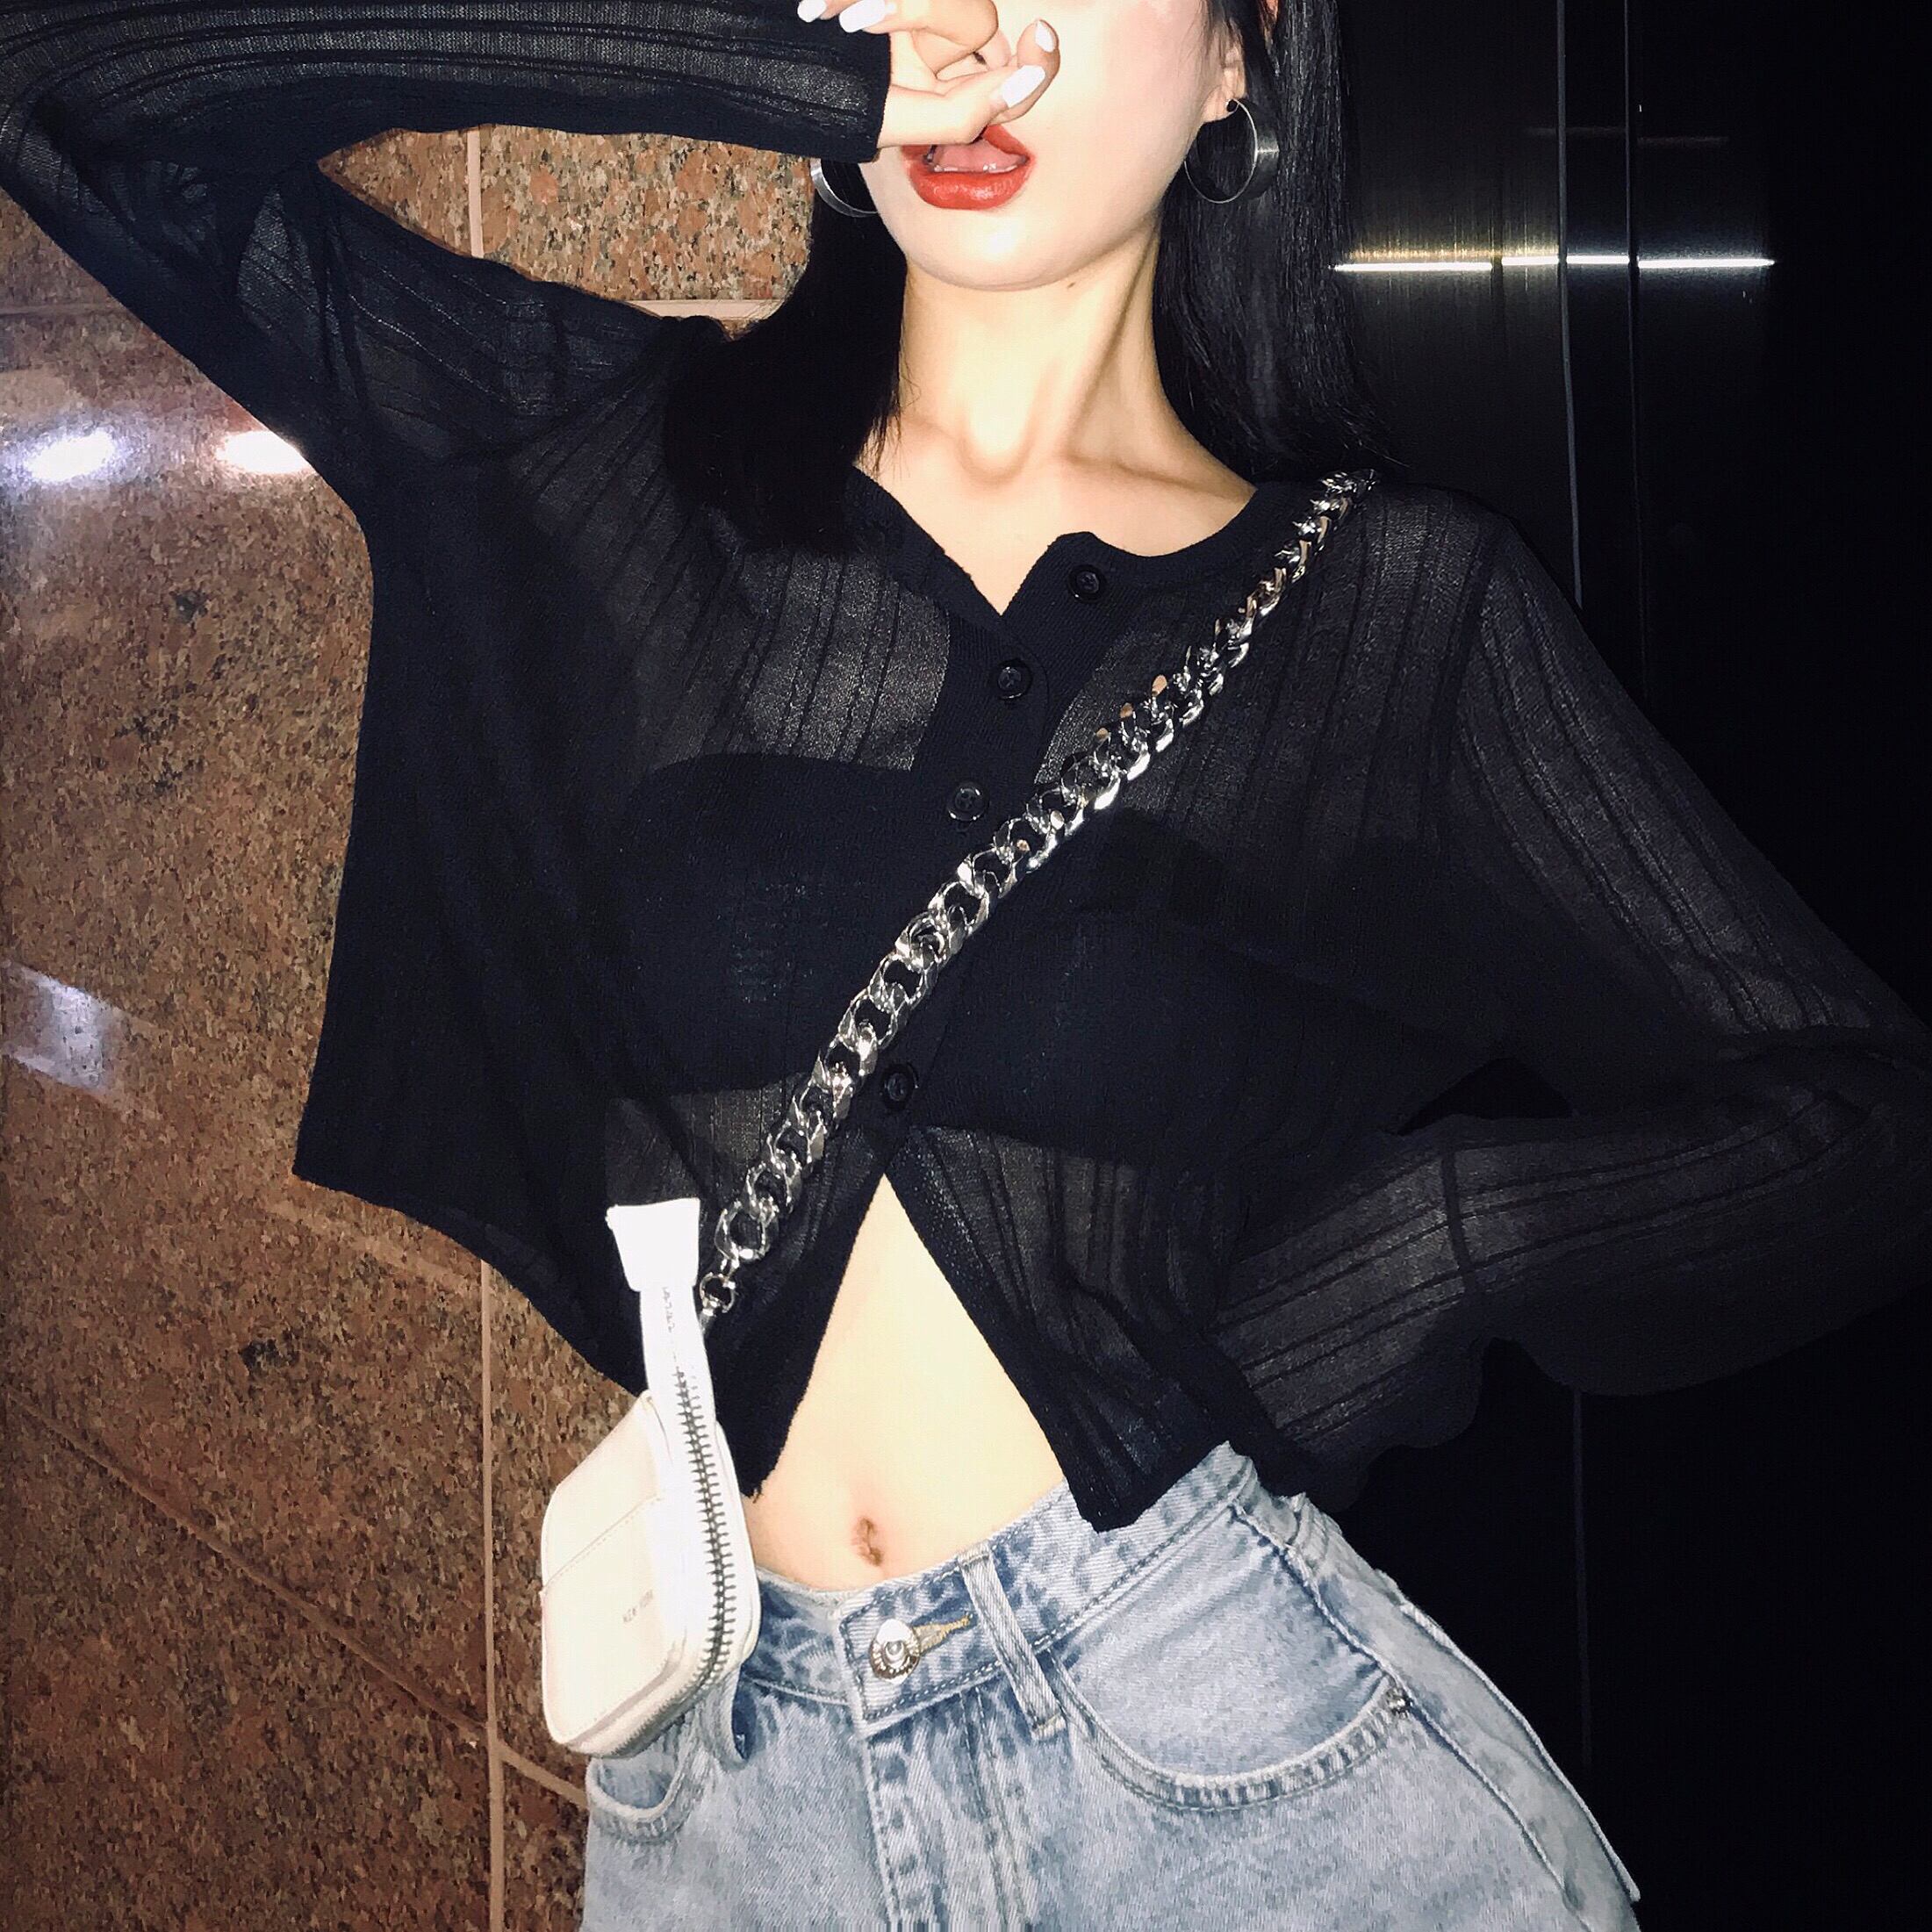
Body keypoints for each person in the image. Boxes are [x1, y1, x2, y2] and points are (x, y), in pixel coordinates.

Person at [4, 3, 1928, 1925]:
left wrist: (1438, 1242)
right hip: (731, 1794)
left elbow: (1864, 1117)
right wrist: (770, 78)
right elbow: (73, 100)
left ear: (1242, 57)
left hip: (1232, 1760)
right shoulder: (611, 453)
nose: (975, 28)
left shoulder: (1393, 616)